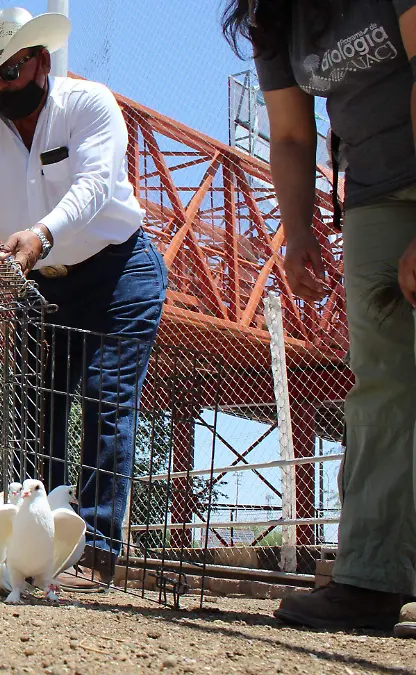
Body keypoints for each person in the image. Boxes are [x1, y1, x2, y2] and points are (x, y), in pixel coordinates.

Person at [0, 8, 167, 591]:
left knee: (104, 400)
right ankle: (37, 548)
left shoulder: (90, 106)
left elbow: (95, 186)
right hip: (44, 285)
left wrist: (41, 235)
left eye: (10, 72)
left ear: (40, 60)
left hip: (118, 272)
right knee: (39, 410)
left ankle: (94, 551)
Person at [223, 0, 416, 635]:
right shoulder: (275, 18)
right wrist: (298, 231)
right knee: (382, 382)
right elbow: (290, 134)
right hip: (370, 196)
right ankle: (370, 577)